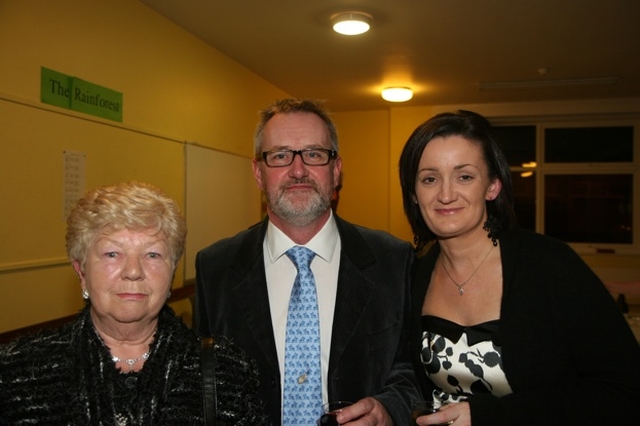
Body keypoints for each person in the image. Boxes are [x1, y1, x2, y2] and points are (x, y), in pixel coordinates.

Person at [398, 110, 640, 425]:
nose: (445, 194)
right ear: (414, 194)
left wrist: (490, 416)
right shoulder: (412, 274)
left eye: (465, 176)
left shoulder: (550, 266)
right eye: (429, 179)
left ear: (492, 187)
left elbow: (625, 391)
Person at [195, 98, 419, 425]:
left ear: (336, 170)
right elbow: (204, 384)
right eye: (281, 156)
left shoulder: (393, 261)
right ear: (258, 173)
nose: (298, 171)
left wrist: (388, 410)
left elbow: (414, 370)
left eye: (314, 154)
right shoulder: (215, 268)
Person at [0, 181, 266, 425]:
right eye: (112, 253)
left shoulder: (228, 372)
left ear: (172, 271)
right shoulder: (18, 373)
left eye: (152, 254)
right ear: (81, 271)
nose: (133, 271)